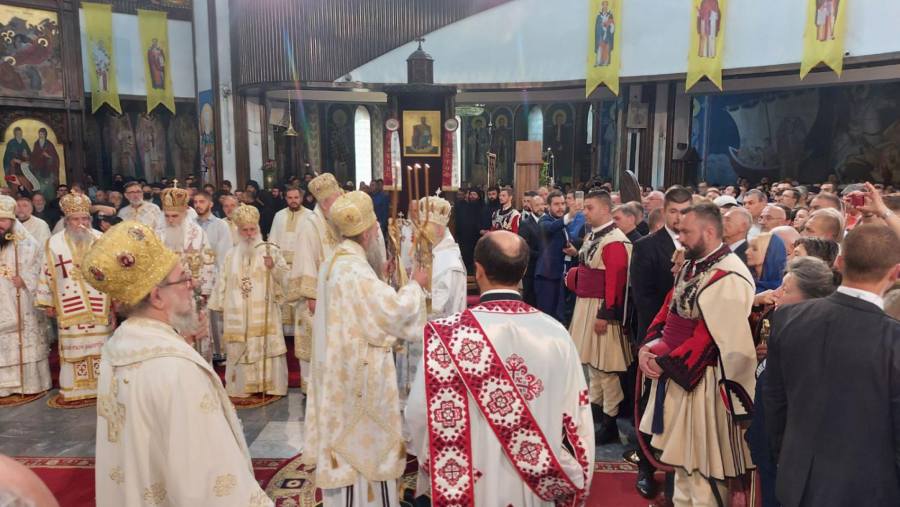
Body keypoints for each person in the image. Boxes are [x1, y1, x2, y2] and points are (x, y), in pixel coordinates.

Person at [81, 222, 273, 507]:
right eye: (183, 279)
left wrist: (183, 340)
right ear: (157, 297)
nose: (191, 285)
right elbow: (207, 476)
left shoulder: (118, 348)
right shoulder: (178, 370)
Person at [406, 231, 595, 505]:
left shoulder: (445, 334)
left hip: (469, 485)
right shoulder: (556, 334)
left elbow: (418, 414)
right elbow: (577, 421)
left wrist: (432, 461)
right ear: (524, 270)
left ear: (478, 270)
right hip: (534, 486)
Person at [304, 191, 428, 507]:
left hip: (339, 374)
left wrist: (380, 277)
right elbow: (394, 312)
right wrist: (416, 284)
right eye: (375, 228)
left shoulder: (334, 261)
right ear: (366, 234)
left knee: (346, 447)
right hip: (361, 377)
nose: (377, 233)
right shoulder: (355, 270)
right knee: (366, 450)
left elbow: (358, 308)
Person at [764, 224, 900, 507]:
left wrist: (787, 461)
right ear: (895, 273)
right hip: (871, 491)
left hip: (796, 481)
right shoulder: (893, 339)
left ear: (839, 262)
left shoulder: (788, 317)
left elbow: (775, 403)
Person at [638, 202, 756, 506]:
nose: (680, 238)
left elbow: (712, 337)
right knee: (683, 467)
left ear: (710, 232)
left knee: (703, 472)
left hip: (706, 383)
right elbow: (670, 308)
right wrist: (649, 345)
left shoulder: (728, 274)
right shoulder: (693, 265)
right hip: (681, 375)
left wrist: (664, 362)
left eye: (686, 232)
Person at [745, 256, 837, 507]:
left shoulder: (814, 346)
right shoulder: (782, 328)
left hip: (789, 457)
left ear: (810, 299)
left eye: (785, 289)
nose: (776, 294)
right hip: (769, 448)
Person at [567, 190, 632, 445]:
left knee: (607, 368)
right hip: (587, 305)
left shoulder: (615, 240)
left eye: (590, 207)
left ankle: (610, 422)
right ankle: (596, 408)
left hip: (601, 309)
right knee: (593, 366)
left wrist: (606, 313)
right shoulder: (593, 234)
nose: (585, 212)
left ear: (605, 209)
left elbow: (616, 282)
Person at [35, 193, 114, 401]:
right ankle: (74, 389)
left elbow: (113, 271)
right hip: (68, 303)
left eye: (85, 218)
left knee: (101, 344)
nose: (81, 223)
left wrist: (116, 295)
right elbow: (47, 272)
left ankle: (102, 387)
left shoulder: (101, 239)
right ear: (67, 221)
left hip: (99, 303)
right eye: (76, 219)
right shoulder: (54, 243)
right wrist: (48, 302)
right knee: (74, 348)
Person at [209, 204, 289, 398]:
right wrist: (220, 304)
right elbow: (223, 280)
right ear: (238, 231)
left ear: (258, 229)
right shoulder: (231, 255)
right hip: (239, 313)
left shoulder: (271, 251)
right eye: (244, 230)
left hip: (265, 311)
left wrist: (273, 267)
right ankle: (242, 387)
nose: (249, 234)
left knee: (265, 345)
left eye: (252, 229)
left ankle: (271, 385)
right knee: (241, 346)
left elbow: (287, 280)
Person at [286, 173, 343, 394]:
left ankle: (333, 385)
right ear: (325, 203)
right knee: (315, 342)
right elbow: (304, 260)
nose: (341, 204)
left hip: (336, 296)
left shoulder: (336, 222)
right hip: (317, 297)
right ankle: (313, 389)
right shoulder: (310, 225)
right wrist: (311, 295)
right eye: (337, 200)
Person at [157, 185, 216, 362]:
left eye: (174, 216)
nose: (170, 220)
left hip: (191, 295)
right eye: (167, 216)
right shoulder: (157, 234)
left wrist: (203, 293)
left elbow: (208, 263)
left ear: (184, 214)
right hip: (165, 298)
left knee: (195, 343)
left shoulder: (197, 234)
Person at [0, 196, 50, 398]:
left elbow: (41, 266)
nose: (0, 225)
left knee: (24, 339)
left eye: (3, 220)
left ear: (12, 221)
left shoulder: (27, 243)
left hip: (22, 299)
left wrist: (26, 279)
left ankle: (29, 384)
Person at [193, 191, 235, 361]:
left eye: (202, 201)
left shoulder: (220, 225)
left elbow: (225, 253)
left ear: (210, 204)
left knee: (216, 317)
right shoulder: (190, 225)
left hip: (215, 276)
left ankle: (219, 352)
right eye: (196, 202)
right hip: (194, 279)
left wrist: (220, 280)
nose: (198, 205)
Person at [267, 186, 309, 338]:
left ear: (301, 198)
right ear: (285, 199)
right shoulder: (279, 216)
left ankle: (300, 331)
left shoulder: (310, 216)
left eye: (296, 198)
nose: (293, 201)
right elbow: (272, 240)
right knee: (282, 297)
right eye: (290, 198)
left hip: (301, 265)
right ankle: (284, 333)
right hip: (281, 265)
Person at [536, 191, 580, 322]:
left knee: (559, 316)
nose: (560, 207)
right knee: (546, 317)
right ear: (548, 206)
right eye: (556, 204)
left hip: (561, 275)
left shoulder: (563, 223)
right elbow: (550, 228)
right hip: (547, 276)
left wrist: (574, 251)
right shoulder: (544, 220)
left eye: (562, 203)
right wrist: (569, 216)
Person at [518, 194, 543, 306]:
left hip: (545, 270)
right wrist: (541, 255)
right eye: (537, 205)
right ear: (531, 207)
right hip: (531, 269)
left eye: (542, 204)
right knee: (530, 300)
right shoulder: (525, 224)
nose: (540, 207)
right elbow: (524, 247)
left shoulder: (549, 222)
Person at [456, 187, 483, 271]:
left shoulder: (483, 207)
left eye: (474, 194)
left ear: (478, 196)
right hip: (465, 239)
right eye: (471, 194)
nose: (472, 196)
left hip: (477, 238)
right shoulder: (464, 207)